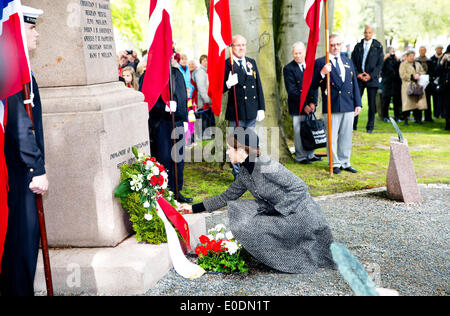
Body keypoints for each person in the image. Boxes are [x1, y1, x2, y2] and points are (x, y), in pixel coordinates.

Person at [179, 128, 336, 274]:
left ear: (241, 150)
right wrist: (193, 208)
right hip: (280, 212)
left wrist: (277, 209)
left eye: (229, 148)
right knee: (240, 212)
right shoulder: (245, 172)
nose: (227, 152)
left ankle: (282, 258)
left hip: (299, 214)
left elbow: (300, 187)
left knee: (251, 224)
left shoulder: (265, 164)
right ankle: (271, 255)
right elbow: (227, 196)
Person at [0, 5, 48, 296]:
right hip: (20, 171)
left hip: (20, 169)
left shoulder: (19, 66)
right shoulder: (13, 67)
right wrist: (36, 169)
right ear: (18, 28)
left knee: (25, 239)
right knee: (23, 240)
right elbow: (20, 124)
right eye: (32, 28)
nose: (37, 33)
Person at [311, 34, 362, 175]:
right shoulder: (321, 62)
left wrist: (358, 103)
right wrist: (322, 73)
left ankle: (345, 162)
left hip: (348, 104)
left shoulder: (347, 60)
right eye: (332, 45)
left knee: (346, 135)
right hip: (332, 105)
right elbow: (313, 85)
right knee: (332, 137)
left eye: (338, 44)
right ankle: (335, 163)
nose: (335, 47)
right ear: (328, 46)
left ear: (341, 45)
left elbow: (354, 84)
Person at [147, 58, 193, 204]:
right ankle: (164, 192)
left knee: (178, 159)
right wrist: (163, 107)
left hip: (178, 122)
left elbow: (183, 97)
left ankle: (177, 191)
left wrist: (185, 119)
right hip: (161, 124)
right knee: (165, 158)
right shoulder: (149, 75)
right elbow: (147, 100)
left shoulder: (176, 73)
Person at [224, 34, 266, 177]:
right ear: (232, 47)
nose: (241, 47)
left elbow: (258, 86)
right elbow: (219, 89)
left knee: (249, 144)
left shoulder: (251, 62)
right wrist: (228, 83)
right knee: (235, 144)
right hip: (237, 111)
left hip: (252, 111)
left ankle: (248, 172)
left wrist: (261, 107)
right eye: (238, 45)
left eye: (244, 45)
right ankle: (238, 175)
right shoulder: (227, 64)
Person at [283, 42, 321, 164]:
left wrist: (313, 103)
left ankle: (310, 154)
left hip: (310, 105)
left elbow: (314, 86)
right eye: (296, 53)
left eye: (300, 53)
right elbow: (292, 90)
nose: (298, 55)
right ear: (292, 54)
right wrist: (304, 105)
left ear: (304, 53)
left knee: (310, 130)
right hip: (297, 105)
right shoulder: (288, 68)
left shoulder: (311, 66)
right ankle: (300, 156)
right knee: (299, 131)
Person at [351, 25, 384, 133]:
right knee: (356, 102)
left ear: (372, 33)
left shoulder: (378, 46)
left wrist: (371, 75)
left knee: (372, 104)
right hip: (359, 78)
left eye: (369, 32)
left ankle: (370, 127)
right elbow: (353, 62)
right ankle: (353, 125)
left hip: (372, 79)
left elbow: (380, 64)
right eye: (365, 32)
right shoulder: (358, 46)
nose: (367, 34)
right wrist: (358, 74)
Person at [399, 50, 427, 126]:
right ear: (407, 56)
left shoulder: (417, 64)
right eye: (410, 56)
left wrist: (419, 75)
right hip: (407, 86)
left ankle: (418, 119)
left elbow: (423, 72)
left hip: (417, 85)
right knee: (407, 103)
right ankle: (406, 120)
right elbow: (402, 75)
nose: (412, 57)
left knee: (418, 103)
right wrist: (412, 76)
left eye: (413, 56)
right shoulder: (403, 64)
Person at [193, 55, 215, 140]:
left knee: (207, 117)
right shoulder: (200, 72)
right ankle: (202, 135)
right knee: (203, 117)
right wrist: (207, 100)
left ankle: (207, 134)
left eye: (207, 60)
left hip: (208, 99)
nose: (206, 62)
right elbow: (201, 87)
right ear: (201, 62)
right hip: (203, 100)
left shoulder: (207, 71)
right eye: (204, 61)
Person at [381, 47, 403, 122]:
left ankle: (397, 116)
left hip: (395, 83)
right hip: (387, 83)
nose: (392, 53)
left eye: (393, 51)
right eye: (391, 52)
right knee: (386, 101)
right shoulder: (384, 60)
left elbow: (399, 68)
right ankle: (385, 116)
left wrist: (397, 60)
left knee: (396, 101)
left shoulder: (396, 60)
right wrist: (384, 59)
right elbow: (381, 69)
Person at [415, 46, 434, 122]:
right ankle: (418, 117)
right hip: (419, 83)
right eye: (421, 50)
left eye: (424, 50)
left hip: (427, 83)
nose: (422, 52)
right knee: (418, 99)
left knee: (427, 100)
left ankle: (428, 117)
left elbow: (432, 71)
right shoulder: (416, 61)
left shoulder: (429, 60)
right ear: (419, 51)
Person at [436, 45, 450, 130]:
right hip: (445, 87)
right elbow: (437, 71)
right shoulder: (442, 59)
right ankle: (447, 123)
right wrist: (442, 62)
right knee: (445, 105)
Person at [430, 45, 444, 119]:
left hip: (442, 81)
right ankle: (436, 113)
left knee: (441, 98)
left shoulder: (444, 58)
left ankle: (442, 112)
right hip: (434, 81)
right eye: (438, 49)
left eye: (441, 49)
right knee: (435, 98)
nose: (439, 50)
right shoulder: (432, 59)